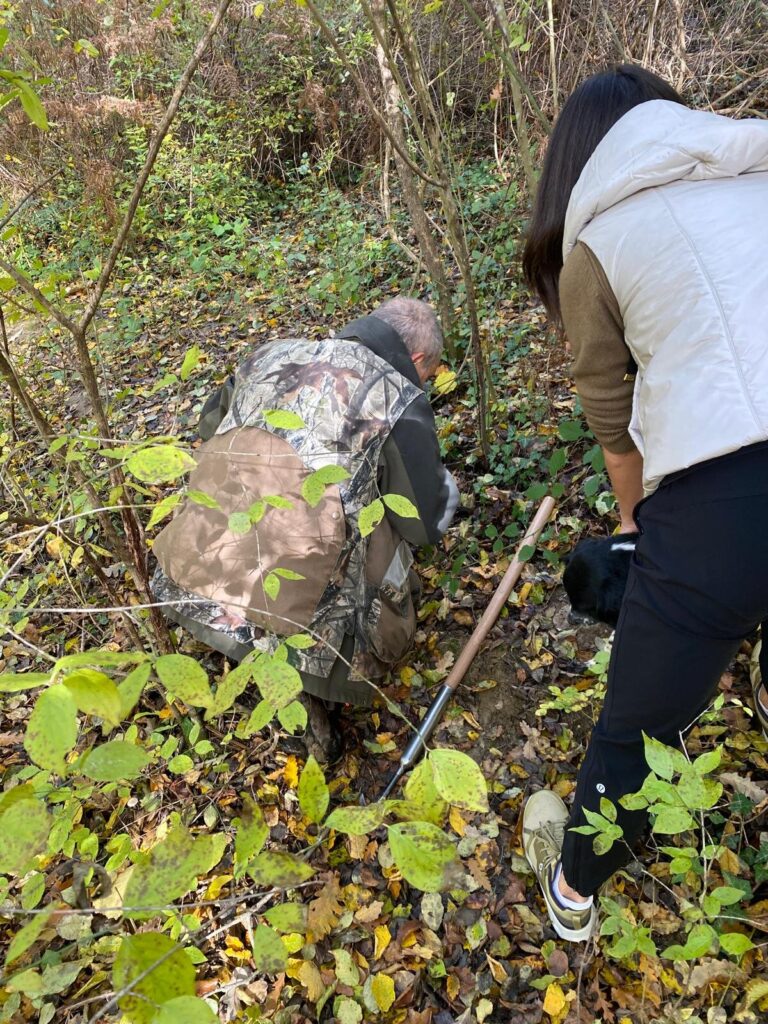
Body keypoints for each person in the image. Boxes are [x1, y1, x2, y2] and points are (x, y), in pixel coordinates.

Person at [519, 64, 768, 941]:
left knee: (634, 727)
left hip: (722, 502)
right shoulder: (756, 166)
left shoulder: (601, 237)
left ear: (573, 160)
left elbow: (610, 416)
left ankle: (574, 895)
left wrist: (635, 530)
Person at [151, 297, 459, 759]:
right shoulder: (398, 396)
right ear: (417, 360)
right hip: (300, 611)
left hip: (196, 570)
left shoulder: (270, 353)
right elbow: (423, 525)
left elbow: (209, 424)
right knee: (381, 526)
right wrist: (445, 486)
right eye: (430, 374)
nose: (427, 384)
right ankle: (321, 678)